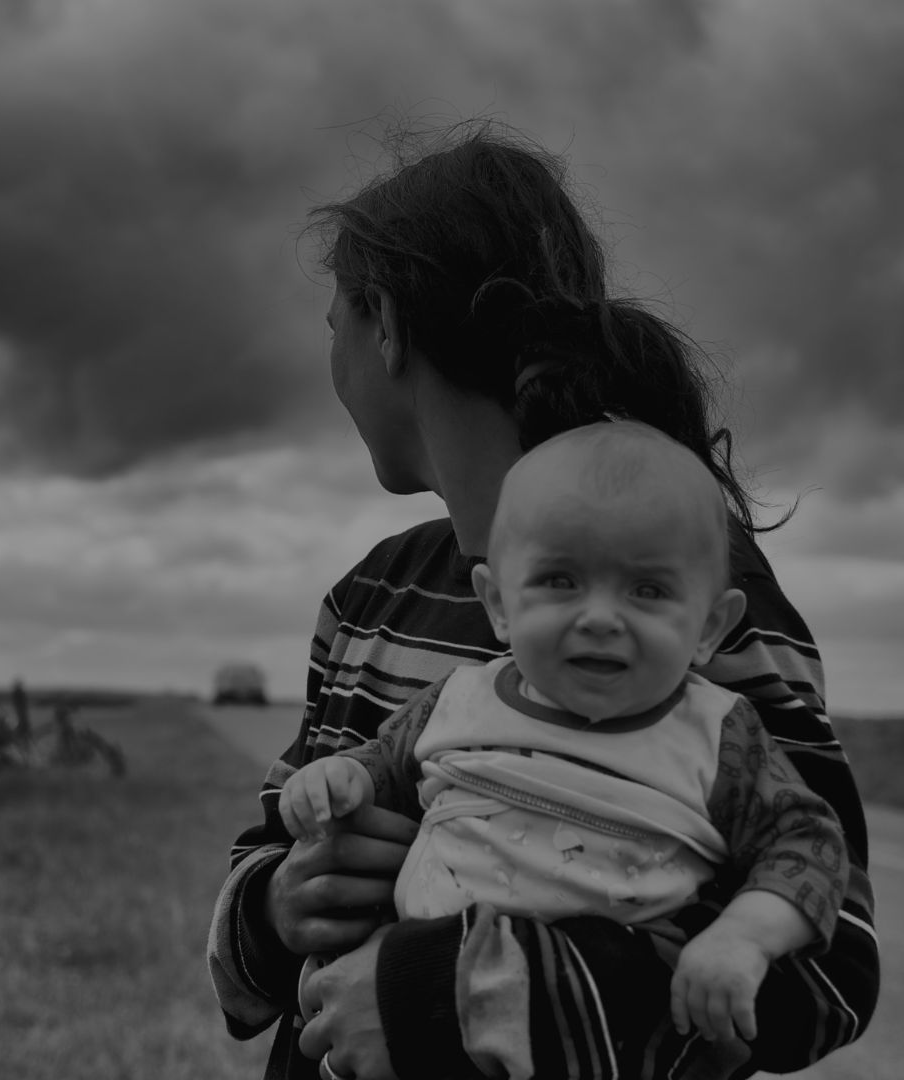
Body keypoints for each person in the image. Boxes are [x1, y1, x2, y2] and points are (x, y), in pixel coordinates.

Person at [207, 123, 879, 1080]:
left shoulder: (693, 599)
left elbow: (831, 968)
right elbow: (270, 841)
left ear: (387, 326)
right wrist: (280, 904)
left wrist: (446, 994)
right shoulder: (369, 598)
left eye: (333, 329)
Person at [276, 421, 849, 1078]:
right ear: (498, 604)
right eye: (560, 581)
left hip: (588, 1042)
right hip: (401, 1026)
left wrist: (743, 935)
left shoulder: (721, 735)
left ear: (709, 627)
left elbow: (810, 844)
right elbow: (381, 766)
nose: (601, 616)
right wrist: (337, 777)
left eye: (649, 590)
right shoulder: (458, 698)